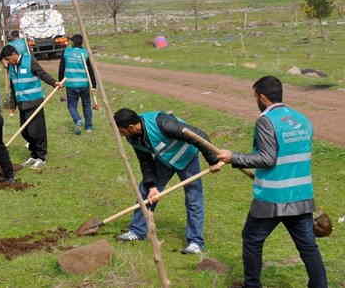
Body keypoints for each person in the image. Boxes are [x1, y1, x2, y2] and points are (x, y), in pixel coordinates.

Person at [216, 76, 327, 288]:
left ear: (263, 97)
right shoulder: (302, 119)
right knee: (308, 246)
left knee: (252, 240)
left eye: (255, 97)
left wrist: (233, 157)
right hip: (301, 195)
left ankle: (252, 285)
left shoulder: (266, 121)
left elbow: (267, 159)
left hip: (273, 198)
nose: (256, 100)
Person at [113, 108, 223, 254]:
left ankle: (196, 242)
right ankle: (137, 231)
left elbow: (198, 135)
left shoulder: (163, 123)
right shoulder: (132, 137)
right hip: (165, 160)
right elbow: (145, 162)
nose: (121, 135)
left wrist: (213, 160)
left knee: (193, 198)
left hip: (187, 158)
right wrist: (152, 186)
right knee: (146, 192)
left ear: (131, 127)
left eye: (121, 131)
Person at [1, 45, 61, 170]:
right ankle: (33, 154)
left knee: (36, 131)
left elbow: (42, 73)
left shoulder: (29, 61)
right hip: (22, 103)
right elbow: (13, 87)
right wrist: (13, 105)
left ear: (14, 54)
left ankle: (41, 157)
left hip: (34, 101)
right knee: (25, 131)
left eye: (8, 58)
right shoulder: (11, 67)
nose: (8, 61)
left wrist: (54, 82)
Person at [58, 34, 96, 135]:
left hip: (71, 84)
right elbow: (90, 70)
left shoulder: (66, 52)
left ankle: (78, 120)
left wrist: (60, 82)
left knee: (71, 106)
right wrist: (94, 85)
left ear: (73, 42)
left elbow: (61, 68)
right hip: (84, 84)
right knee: (87, 105)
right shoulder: (85, 53)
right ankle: (88, 127)